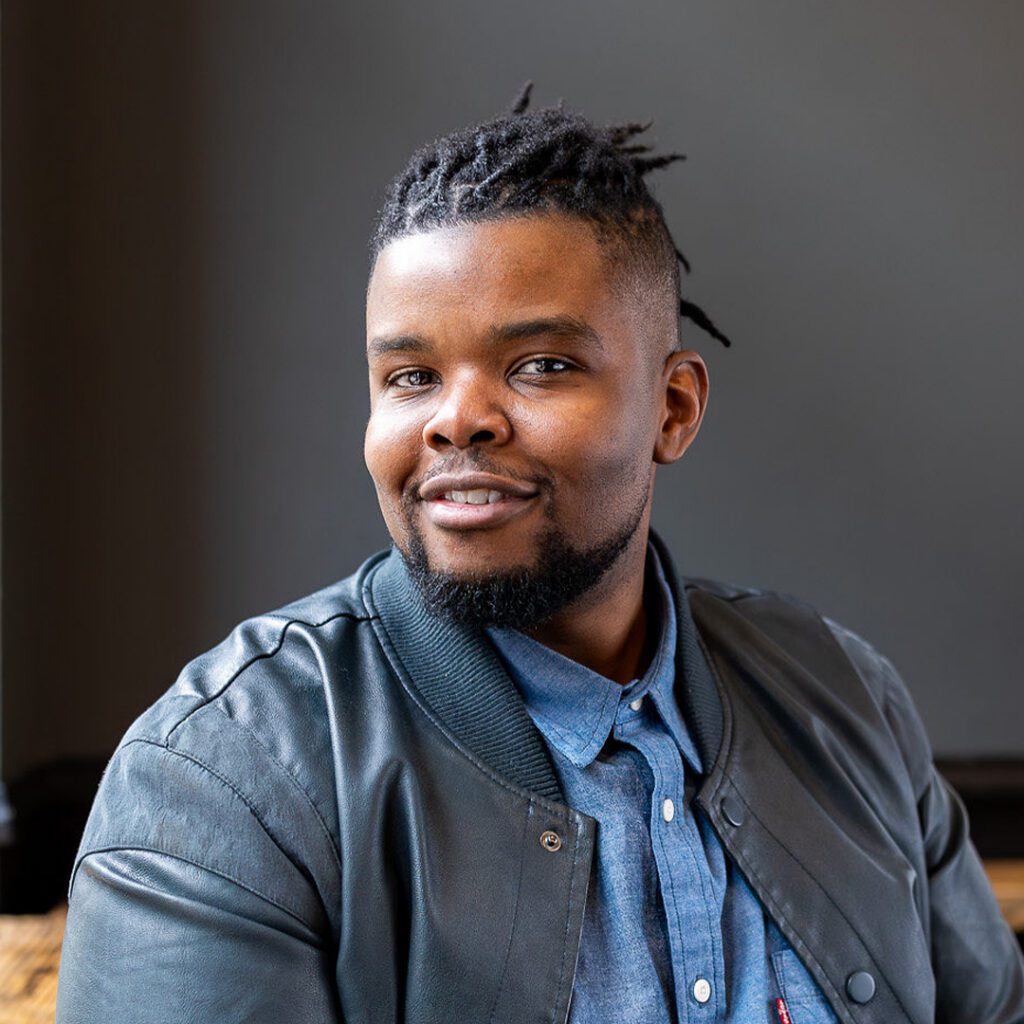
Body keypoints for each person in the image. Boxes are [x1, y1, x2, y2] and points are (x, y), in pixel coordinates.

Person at [56, 83, 1024, 1023]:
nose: (455, 419)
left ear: (672, 408)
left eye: (539, 366)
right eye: (409, 376)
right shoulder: (220, 785)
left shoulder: (843, 703)